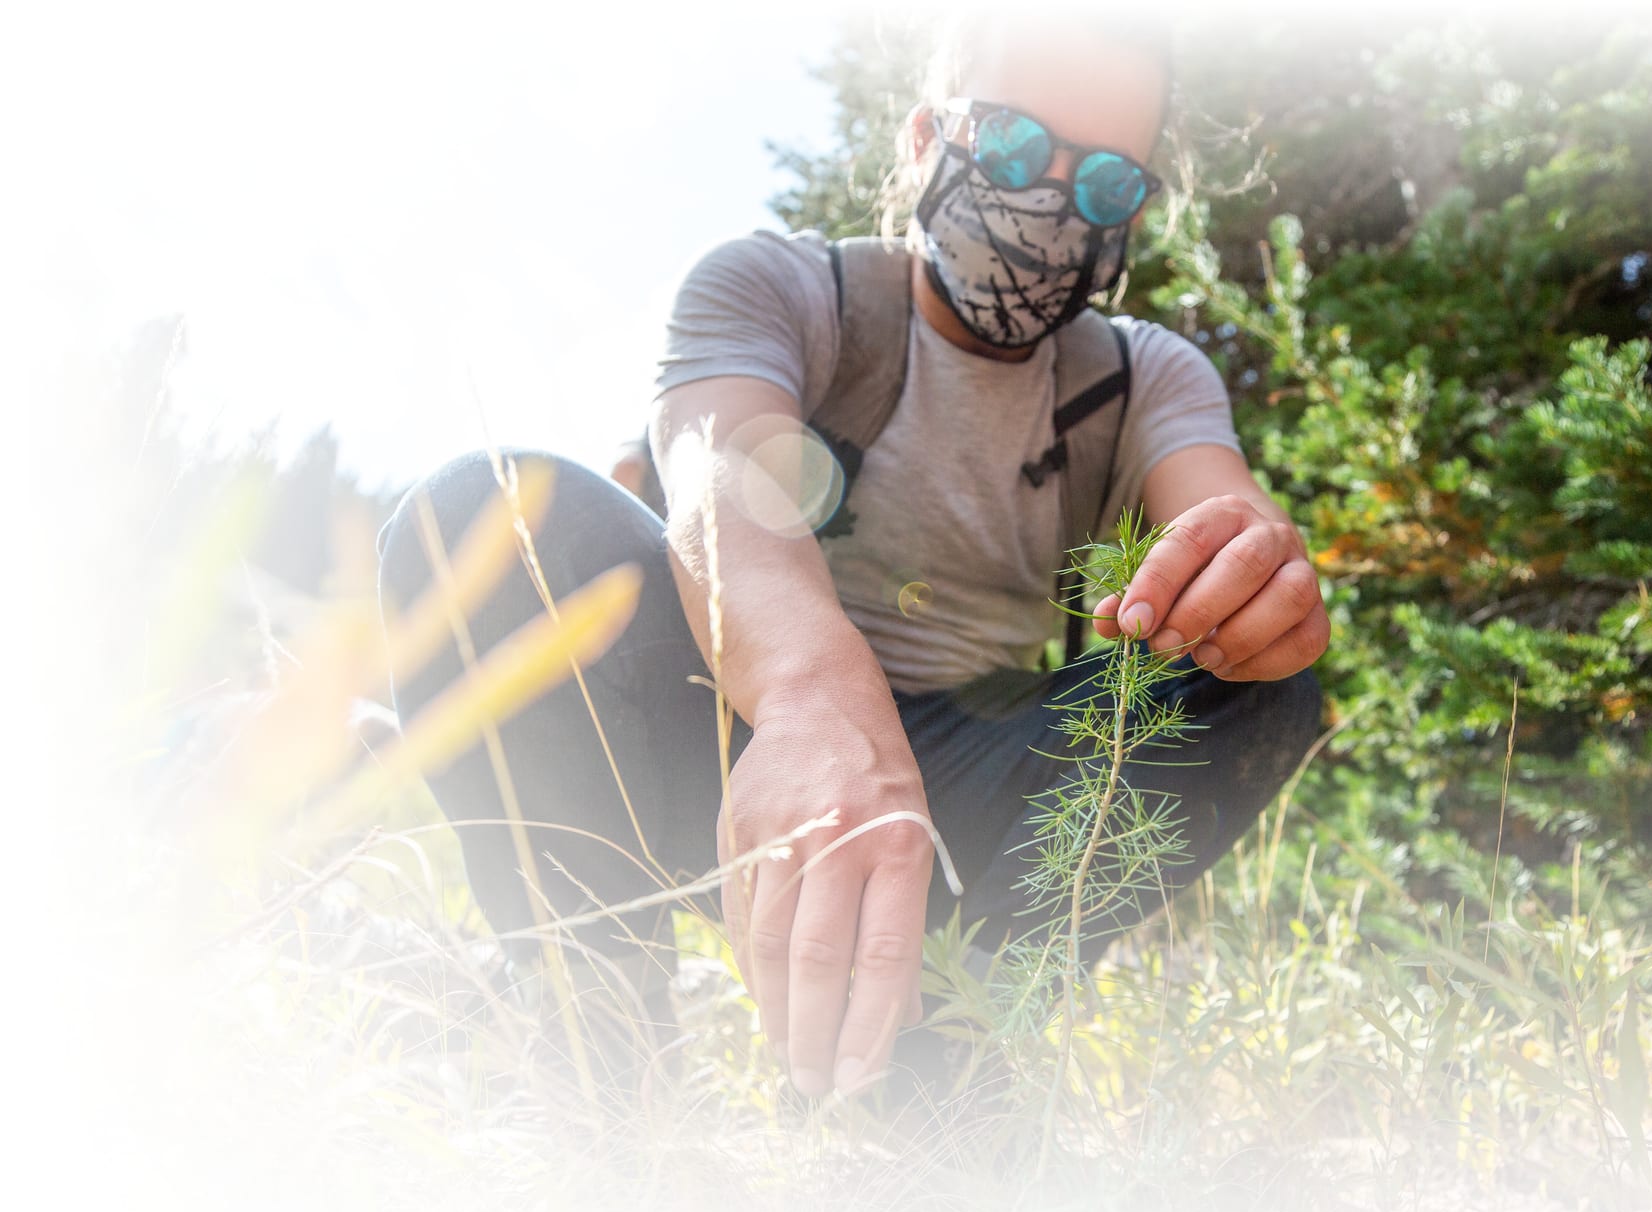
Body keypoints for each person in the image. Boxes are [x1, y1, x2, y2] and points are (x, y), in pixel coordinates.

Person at [375, 9, 1329, 1101]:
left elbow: (1221, 513)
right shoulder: (775, 290)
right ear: (928, 139)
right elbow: (717, 474)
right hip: (740, 736)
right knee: (490, 515)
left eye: (1108, 185)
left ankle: (952, 1051)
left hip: (977, 795)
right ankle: (594, 1030)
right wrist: (807, 698)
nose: (1053, 201)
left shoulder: (1146, 376)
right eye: (1014, 145)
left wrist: (1254, 581)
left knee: (1260, 684)